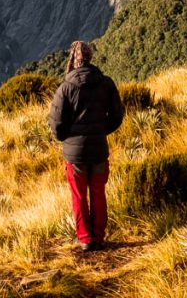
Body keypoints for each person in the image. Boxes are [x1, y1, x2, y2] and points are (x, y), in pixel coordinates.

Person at [48, 40, 123, 252]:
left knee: (79, 196)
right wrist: (101, 131)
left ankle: (85, 239)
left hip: (75, 154)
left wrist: (67, 138)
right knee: (98, 193)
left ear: (72, 59)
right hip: (99, 149)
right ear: (90, 57)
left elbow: (55, 123)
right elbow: (117, 115)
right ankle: (99, 237)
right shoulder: (106, 84)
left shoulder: (66, 88)